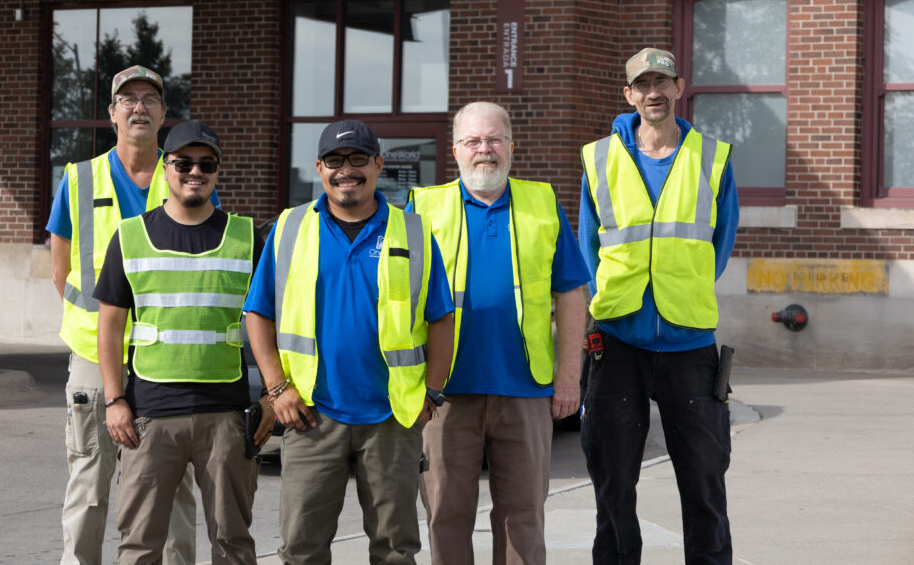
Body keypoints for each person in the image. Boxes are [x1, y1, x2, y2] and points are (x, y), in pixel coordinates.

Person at [243, 119, 456, 565]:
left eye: (358, 159)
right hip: (310, 416)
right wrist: (277, 389)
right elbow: (257, 313)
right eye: (335, 161)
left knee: (396, 551)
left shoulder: (414, 232)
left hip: (392, 420)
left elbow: (441, 318)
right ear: (319, 168)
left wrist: (432, 392)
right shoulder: (289, 229)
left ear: (378, 165)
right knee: (301, 549)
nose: (347, 170)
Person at [407, 101, 590, 565]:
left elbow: (572, 292)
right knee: (445, 515)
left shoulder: (542, 202)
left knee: (523, 517)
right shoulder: (420, 207)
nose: (483, 150)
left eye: (493, 140)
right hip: (443, 393)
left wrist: (569, 378)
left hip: (524, 390)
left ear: (511, 146)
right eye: (473, 141)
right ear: (455, 150)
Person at [578, 48, 739, 565]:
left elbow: (720, 243)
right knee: (613, 486)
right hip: (617, 339)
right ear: (628, 95)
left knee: (704, 482)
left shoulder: (712, 156)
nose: (653, 92)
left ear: (679, 88)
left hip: (688, 341)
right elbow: (589, 246)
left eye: (662, 82)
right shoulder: (598, 158)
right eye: (642, 84)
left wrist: (679, 289)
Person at [95, 120, 273, 565]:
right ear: (165, 165)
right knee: (138, 545)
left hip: (227, 416)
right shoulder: (131, 236)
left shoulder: (247, 237)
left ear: (217, 171)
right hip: (150, 416)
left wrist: (273, 394)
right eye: (183, 162)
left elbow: (272, 320)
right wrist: (115, 399)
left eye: (206, 164)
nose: (195, 171)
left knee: (233, 543)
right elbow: (110, 327)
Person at [46, 65, 197, 565]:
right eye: (127, 99)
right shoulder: (78, 179)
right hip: (94, 354)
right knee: (90, 478)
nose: (139, 107)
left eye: (149, 99)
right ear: (112, 114)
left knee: (172, 485)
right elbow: (60, 268)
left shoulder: (188, 176)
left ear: (163, 115)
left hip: (168, 357)